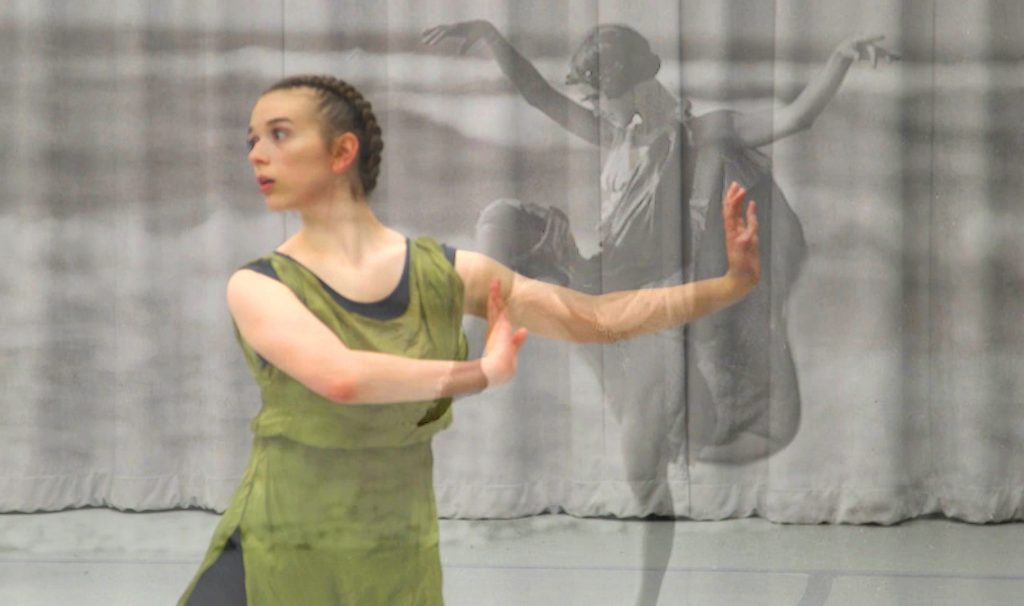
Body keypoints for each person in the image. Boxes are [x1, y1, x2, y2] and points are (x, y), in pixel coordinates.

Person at [176, 74, 759, 604]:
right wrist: (478, 373)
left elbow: (598, 317)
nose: (255, 153)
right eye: (251, 139)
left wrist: (729, 285)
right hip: (276, 546)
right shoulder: (258, 285)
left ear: (342, 151)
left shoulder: (450, 275)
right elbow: (343, 378)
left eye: (278, 134)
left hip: (395, 557)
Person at [422, 21, 898, 466]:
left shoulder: (705, 134)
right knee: (501, 219)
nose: (592, 107)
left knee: (688, 427)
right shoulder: (615, 138)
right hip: (598, 274)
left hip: (641, 294)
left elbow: (796, 117)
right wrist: (490, 36)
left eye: (596, 97)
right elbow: (539, 95)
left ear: (624, 84)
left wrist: (841, 58)